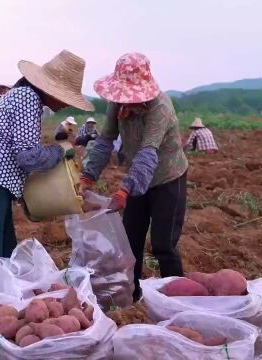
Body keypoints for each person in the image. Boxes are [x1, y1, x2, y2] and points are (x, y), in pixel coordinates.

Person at [0, 50, 94, 288]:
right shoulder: (27, 98)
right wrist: (61, 150)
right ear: (51, 88)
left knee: (3, 256)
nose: (64, 104)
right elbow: (28, 157)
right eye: (65, 97)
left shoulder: (24, 97)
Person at [80, 52, 189, 302]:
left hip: (167, 178)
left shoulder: (159, 108)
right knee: (130, 242)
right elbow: (105, 140)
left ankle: (178, 301)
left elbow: (147, 153)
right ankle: (133, 297)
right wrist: (87, 175)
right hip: (137, 178)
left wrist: (124, 191)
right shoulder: (116, 104)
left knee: (164, 244)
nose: (124, 102)